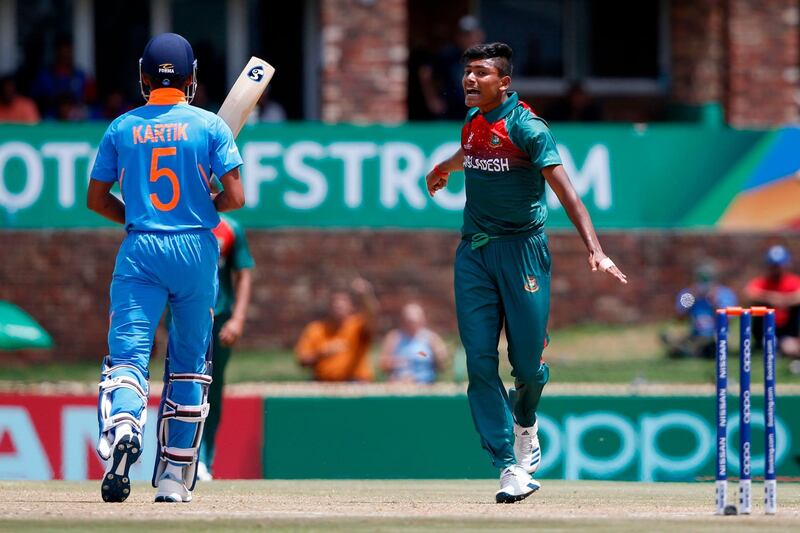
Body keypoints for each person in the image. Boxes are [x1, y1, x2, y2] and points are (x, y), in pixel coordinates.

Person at [425, 42, 627, 503]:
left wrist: (596, 250)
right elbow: (468, 155)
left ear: (504, 82)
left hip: (524, 254)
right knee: (478, 360)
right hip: (474, 252)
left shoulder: (528, 128)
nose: (469, 81)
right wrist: (442, 169)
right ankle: (507, 465)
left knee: (528, 369)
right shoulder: (473, 123)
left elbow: (568, 193)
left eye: (480, 73)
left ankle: (526, 422)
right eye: (467, 73)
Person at [86, 33, 245, 504]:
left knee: (129, 356)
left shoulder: (121, 127)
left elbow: (96, 200)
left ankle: (122, 428)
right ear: (193, 78)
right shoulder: (211, 127)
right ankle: (175, 478)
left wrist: (137, 215)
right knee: (189, 364)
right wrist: (204, 204)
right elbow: (235, 198)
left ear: (142, 77)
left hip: (141, 247)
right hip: (197, 249)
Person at [196, 214, 255, 481]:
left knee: (212, 388)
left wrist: (238, 318)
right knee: (183, 385)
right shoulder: (175, 218)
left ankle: (203, 460)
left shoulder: (230, 228)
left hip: (219, 318)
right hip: (185, 316)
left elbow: (243, 273)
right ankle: (179, 456)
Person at [295, 278, 378, 382]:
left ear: (351, 306)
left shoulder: (358, 326)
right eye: (334, 302)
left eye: (343, 302)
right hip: (323, 382)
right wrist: (322, 353)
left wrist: (365, 295)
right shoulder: (316, 329)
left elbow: (372, 315)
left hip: (354, 381)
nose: (338, 306)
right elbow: (302, 360)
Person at [661, 262, 737, 359]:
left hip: (715, 336)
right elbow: (679, 318)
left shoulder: (725, 293)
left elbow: (729, 320)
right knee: (669, 336)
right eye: (701, 278)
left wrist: (714, 301)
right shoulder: (688, 294)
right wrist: (691, 299)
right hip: (695, 335)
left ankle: (693, 352)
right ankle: (689, 350)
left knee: (711, 346)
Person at [418, 15, 485, 120]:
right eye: (465, 35)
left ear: (480, 35)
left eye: (473, 35)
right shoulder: (448, 55)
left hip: (478, 111)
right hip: (451, 111)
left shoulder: (489, 58)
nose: (470, 39)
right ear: (458, 37)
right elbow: (426, 73)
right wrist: (433, 100)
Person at [745, 245, 800, 358]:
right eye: (773, 266)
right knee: (758, 307)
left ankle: (791, 343)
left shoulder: (793, 281)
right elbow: (749, 293)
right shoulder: (762, 282)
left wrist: (784, 300)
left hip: (788, 329)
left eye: (779, 265)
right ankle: (765, 343)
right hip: (765, 328)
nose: (776, 269)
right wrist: (772, 299)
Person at [380, 303, 448, 384]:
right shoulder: (394, 337)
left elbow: (442, 363)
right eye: (409, 321)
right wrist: (399, 362)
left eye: (414, 321)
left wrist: (439, 356)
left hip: (426, 383)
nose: (411, 325)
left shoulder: (431, 338)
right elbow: (383, 363)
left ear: (422, 320)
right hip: (399, 384)